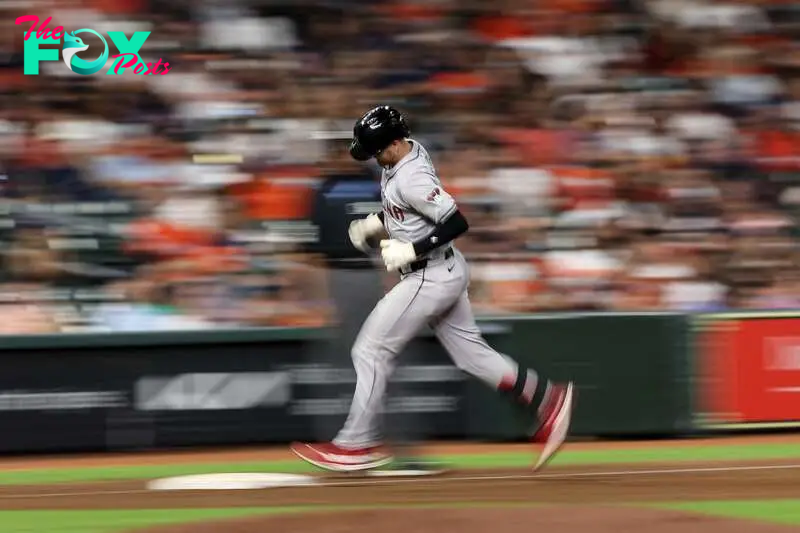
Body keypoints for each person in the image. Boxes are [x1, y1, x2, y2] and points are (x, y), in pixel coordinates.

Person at [291, 106, 574, 472]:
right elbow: (407, 211)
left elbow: (456, 221)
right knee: (472, 357)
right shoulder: (407, 152)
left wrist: (412, 248)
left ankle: (356, 445)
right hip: (445, 269)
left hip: (429, 274)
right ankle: (548, 399)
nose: (373, 157)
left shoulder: (412, 176)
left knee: (370, 350)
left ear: (394, 142)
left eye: (377, 149)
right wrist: (378, 223)